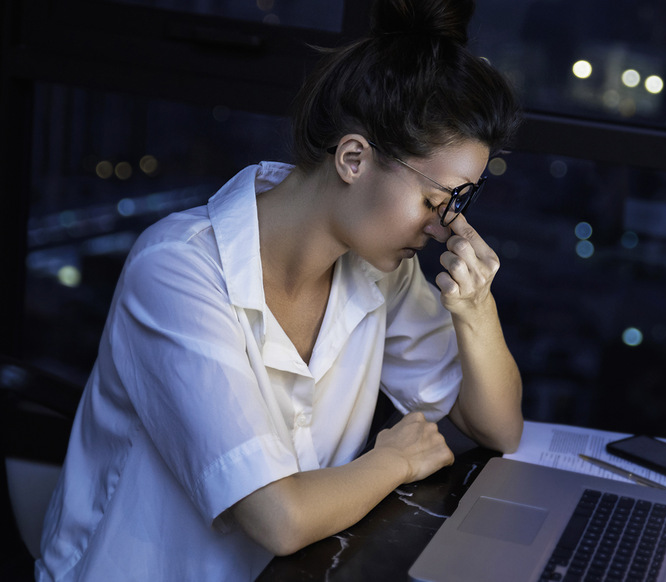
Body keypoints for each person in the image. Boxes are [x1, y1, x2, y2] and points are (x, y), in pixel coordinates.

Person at [36, 0, 524, 579]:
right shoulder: (178, 272)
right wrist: (392, 460)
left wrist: (475, 308)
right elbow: (278, 517)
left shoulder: (380, 270)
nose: (446, 226)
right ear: (352, 158)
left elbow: (498, 426)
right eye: (434, 200)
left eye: (459, 204)